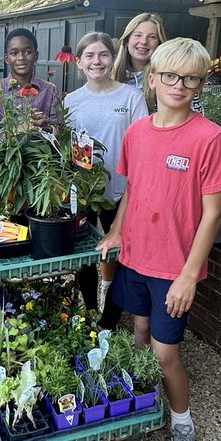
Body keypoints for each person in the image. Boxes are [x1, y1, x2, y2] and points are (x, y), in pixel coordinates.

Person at [96, 38, 221, 441]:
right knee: (139, 333)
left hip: (174, 269)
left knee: (165, 352)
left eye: (191, 78)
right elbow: (133, 190)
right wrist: (117, 231)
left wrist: (189, 276)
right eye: (171, 76)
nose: (180, 85)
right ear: (152, 79)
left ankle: (182, 426)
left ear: (201, 84)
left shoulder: (208, 137)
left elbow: (212, 214)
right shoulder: (137, 133)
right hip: (136, 257)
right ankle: (142, 405)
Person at [65, 32, 147, 313]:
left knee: (119, 252)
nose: (96, 61)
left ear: (113, 59)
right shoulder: (71, 101)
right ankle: (90, 311)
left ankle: (110, 318)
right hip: (84, 191)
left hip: (122, 191)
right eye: (89, 56)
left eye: (103, 55)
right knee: (85, 255)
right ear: (79, 62)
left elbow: (142, 146)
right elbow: (70, 147)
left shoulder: (131, 97)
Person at [0, 27, 60, 124]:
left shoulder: (50, 90)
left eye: (27, 52)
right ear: (6, 58)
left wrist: (48, 125)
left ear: (36, 56)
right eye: (14, 53)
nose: (21, 57)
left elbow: (60, 129)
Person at [112, 12, 166, 91]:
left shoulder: (164, 77)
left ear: (159, 43)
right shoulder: (109, 73)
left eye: (152, 37)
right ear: (127, 41)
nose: (144, 42)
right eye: (138, 35)